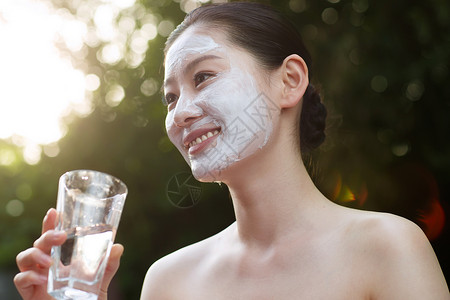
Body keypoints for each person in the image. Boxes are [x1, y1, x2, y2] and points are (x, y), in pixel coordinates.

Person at [15, 2, 449, 299]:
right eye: (170, 98)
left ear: (289, 81)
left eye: (203, 77)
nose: (180, 112)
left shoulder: (387, 247)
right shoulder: (168, 281)